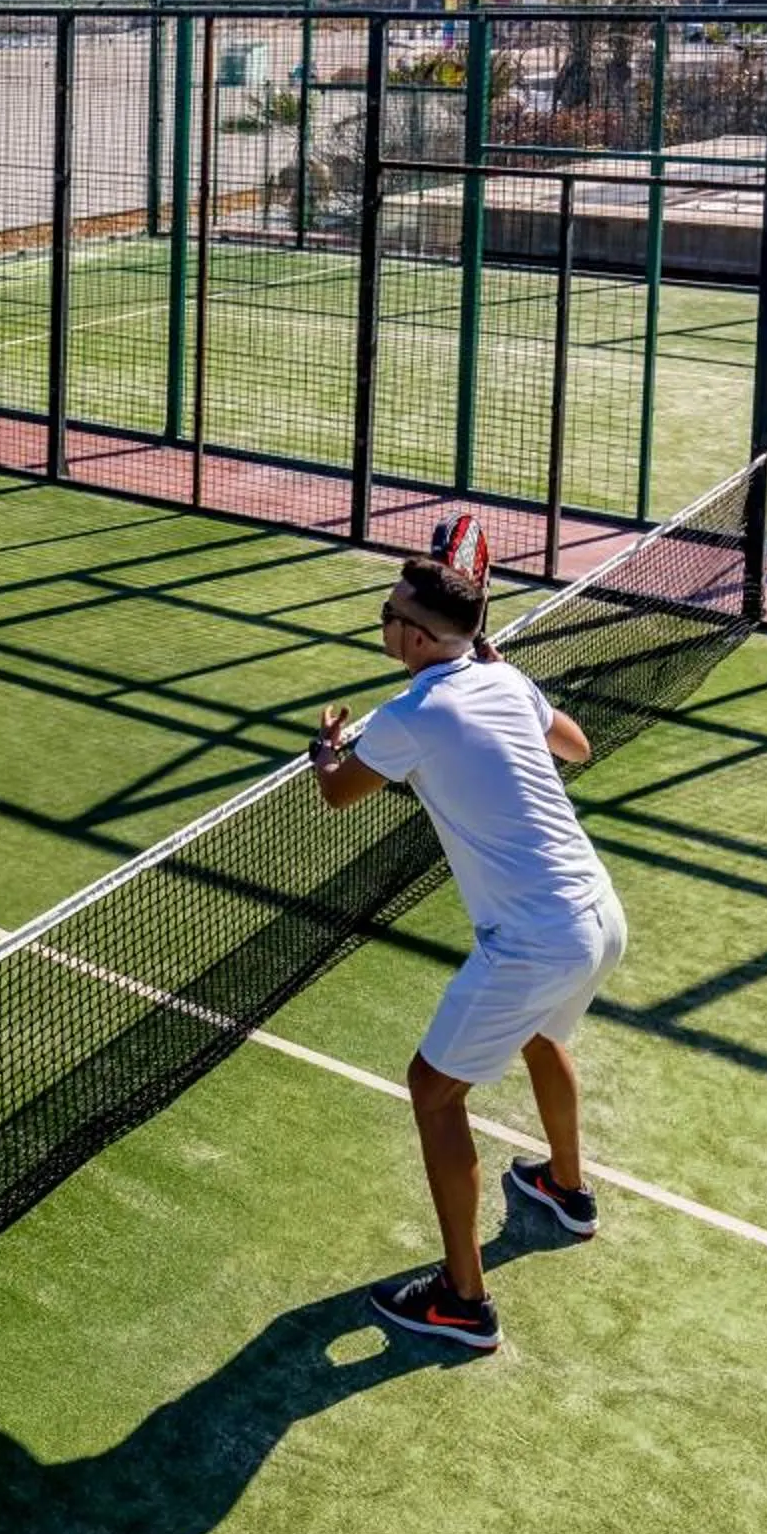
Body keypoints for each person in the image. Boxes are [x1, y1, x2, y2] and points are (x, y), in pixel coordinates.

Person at [306, 549, 617, 1354]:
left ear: (412, 638)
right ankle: (566, 1190)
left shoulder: (410, 715)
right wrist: (504, 676)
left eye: (388, 612)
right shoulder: (504, 680)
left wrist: (327, 751)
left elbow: (340, 794)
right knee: (542, 1035)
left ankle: (462, 1300)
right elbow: (576, 746)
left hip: (535, 939)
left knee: (432, 1090)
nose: (382, 619)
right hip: (598, 916)